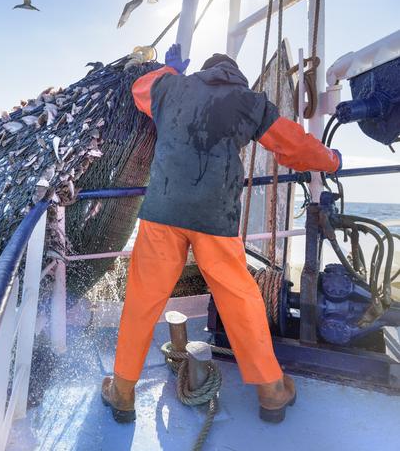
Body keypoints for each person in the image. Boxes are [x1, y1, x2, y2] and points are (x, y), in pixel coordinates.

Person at [101, 44, 341, 424]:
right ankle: (271, 391)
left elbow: (139, 88)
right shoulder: (248, 101)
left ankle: (124, 392)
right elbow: (292, 146)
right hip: (215, 218)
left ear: (203, 74)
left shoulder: (170, 88)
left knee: (143, 301)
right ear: (237, 78)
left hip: (163, 213)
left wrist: (170, 71)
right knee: (240, 299)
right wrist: (332, 159)